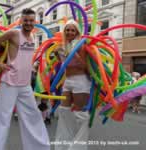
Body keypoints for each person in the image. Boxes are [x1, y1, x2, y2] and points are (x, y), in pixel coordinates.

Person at [0, 8, 50, 150]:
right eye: (26, 20)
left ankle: (39, 147)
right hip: (9, 83)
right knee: (1, 119)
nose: (28, 23)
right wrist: (0, 63)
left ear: (35, 22)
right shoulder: (14, 33)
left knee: (34, 115)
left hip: (25, 85)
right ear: (20, 21)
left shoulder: (32, 37)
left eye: (31, 20)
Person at [54, 20, 91, 150]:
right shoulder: (64, 46)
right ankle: (63, 144)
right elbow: (64, 65)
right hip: (68, 81)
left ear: (77, 33)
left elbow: (86, 66)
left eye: (72, 30)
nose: (70, 32)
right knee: (64, 112)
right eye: (67, 30)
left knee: (80, 114)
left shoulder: (81, 45)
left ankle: (78, 147)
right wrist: (58, 54)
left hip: (81, 80)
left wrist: (73, 54)